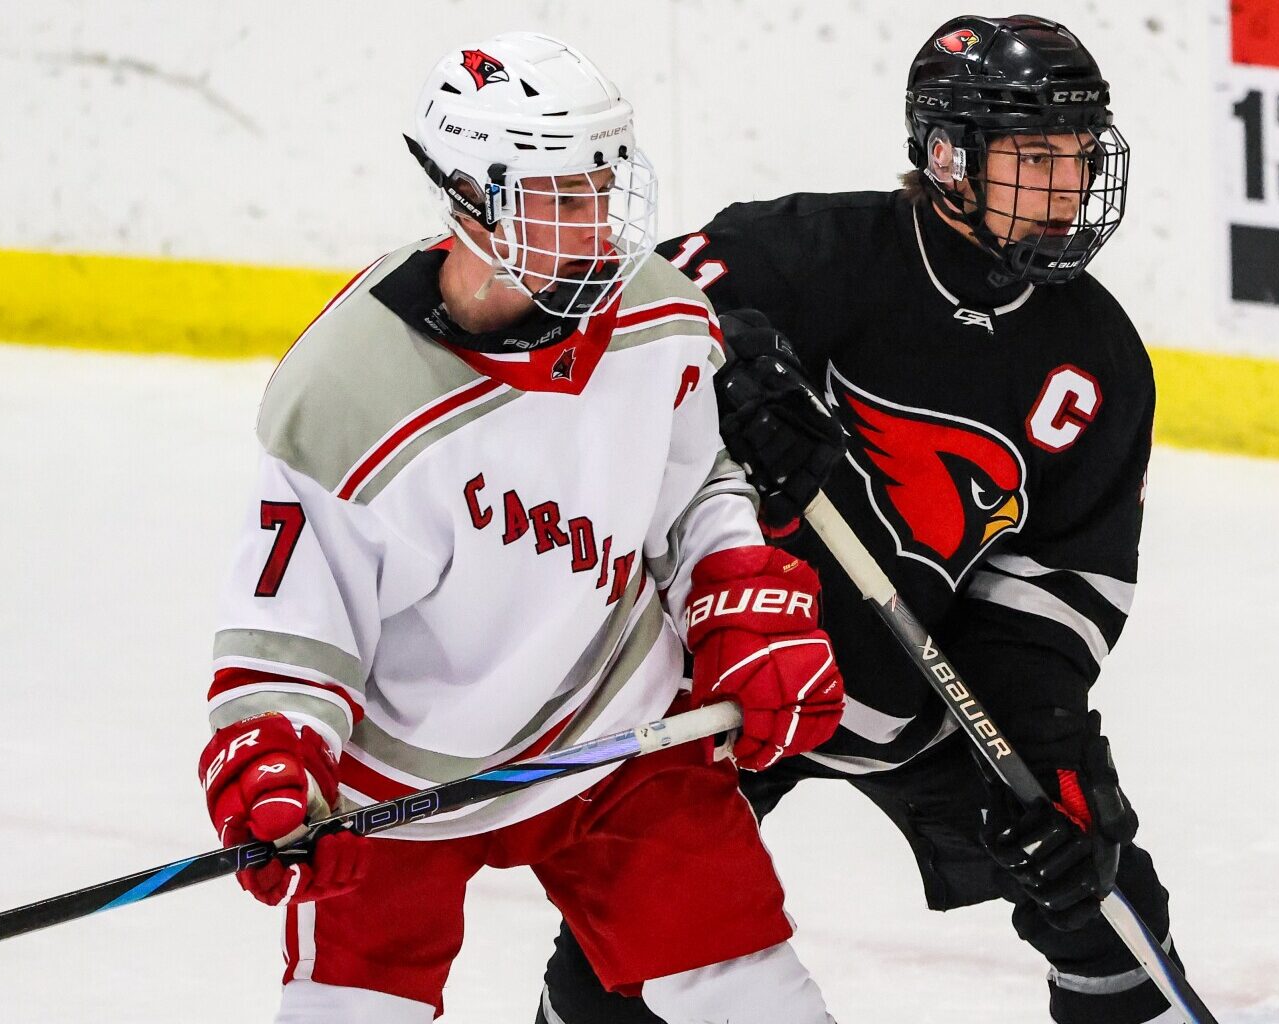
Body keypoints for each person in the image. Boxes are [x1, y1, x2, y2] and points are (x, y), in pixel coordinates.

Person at [537, 15, 1188, 1024]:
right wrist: (716, 374)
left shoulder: (1095, 357)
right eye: (1033, 156)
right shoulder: (797, 251)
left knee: (1098, 892)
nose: (1065, 186)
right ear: (947, 161)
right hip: (729, 666)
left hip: (920, 687)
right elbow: (601, 341)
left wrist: (1048, 746)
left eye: (1077, 154)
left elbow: (1058, 585)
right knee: (630, 936)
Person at [197, 31, 845, 1024]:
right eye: (561, 200)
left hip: (617, 727)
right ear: (470, 202)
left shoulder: (664, 321)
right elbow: (291, 632)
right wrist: (278, 754)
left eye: (602, 187)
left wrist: (733, 596)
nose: (597, 229)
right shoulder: (346, 393)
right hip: (401, 770)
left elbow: (692, 495)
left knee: (757, 998)